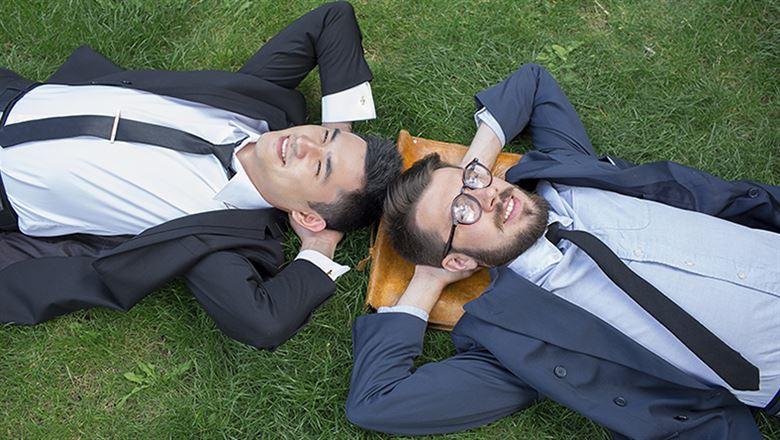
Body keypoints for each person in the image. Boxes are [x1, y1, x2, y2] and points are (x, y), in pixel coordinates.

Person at [345, 63, 779, 438]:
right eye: (462, 211)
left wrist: (472, 164)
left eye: (474, 183)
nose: (488, 195)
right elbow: (376, 402)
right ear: (458, 259)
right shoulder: (518, 342)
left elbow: (533, 81)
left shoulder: (565, 171)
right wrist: (427, 278)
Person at [0, 2, 401, 350]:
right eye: (323, 137)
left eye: (318, 167)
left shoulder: (218, 238)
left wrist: (319, 246)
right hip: (13, 96)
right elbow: (333, 19)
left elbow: (264, 322)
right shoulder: (260, 105)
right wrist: (341, 133)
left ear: (308, 215)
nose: (304, 144)